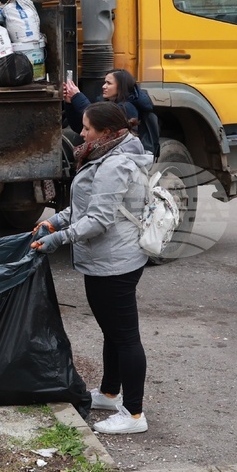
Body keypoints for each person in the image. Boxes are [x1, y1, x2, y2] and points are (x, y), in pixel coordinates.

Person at [31, 101, 152, 434]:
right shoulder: (107, 154)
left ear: (108, 133)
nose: (80, 133)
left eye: (86, 128)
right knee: (113, 333)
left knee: (125, 337)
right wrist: (53, 223)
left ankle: (134, 414)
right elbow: (85, 207)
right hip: (107, 259)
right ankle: (111, 393)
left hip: (115, 262)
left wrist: (59, 239)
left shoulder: (115, 164)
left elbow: (98, 219)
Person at [63, 69, 159, 157]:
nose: (103, 86)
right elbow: (81, 127)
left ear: (121, 86)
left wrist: (77, 97)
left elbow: (95, 119)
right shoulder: (111, 104)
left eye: (109, 83)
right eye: (105, 82)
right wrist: (70, 103)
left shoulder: (127, 108)